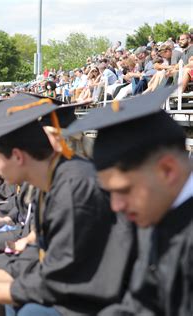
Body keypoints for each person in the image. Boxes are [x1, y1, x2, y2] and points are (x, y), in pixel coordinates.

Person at [0, 93, 135, 315]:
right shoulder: (50, 183)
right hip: (61, 280)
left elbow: (63, 274)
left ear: (18, 156)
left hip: (92, 297)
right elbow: (42, 252)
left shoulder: (74, 187)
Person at [65, 87, 192, 316]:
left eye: (124, 190)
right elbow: (141, 304)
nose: (116, 206)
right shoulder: (156, 214)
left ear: (167, 170)